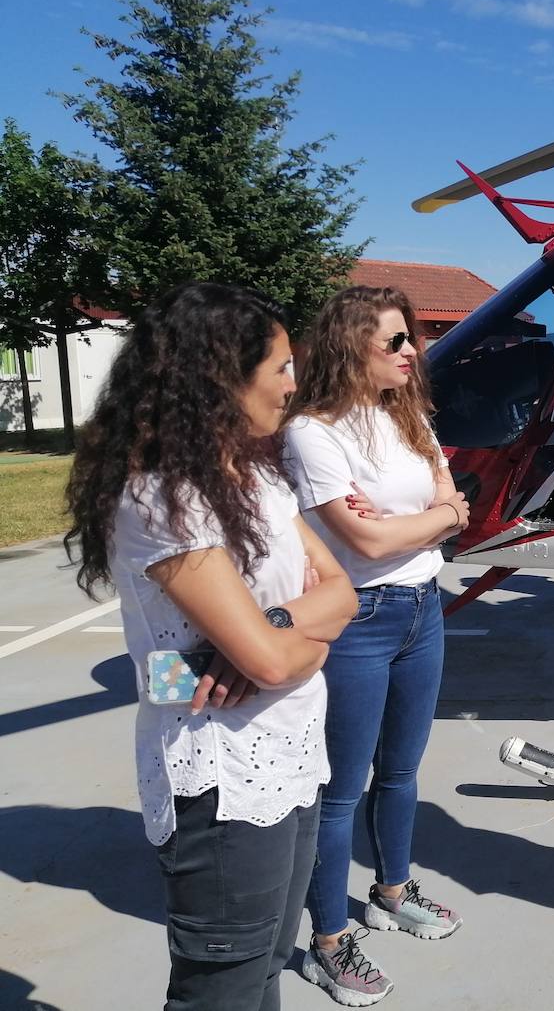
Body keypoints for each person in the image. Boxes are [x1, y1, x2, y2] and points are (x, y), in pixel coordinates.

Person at [64, 282, 359, 1011]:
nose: (296, 383)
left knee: (261, 973)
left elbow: (343, 593)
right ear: (223, 374)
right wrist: (290, 646)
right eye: (282, 366)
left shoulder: (256, 476)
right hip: (221, 780)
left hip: (289, 756)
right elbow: (250, 662)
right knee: (219, 991)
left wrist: (282, 633)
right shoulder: (164, 497)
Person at [284, 286, 469, 1007]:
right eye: (392, 341)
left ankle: (391, 892)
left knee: (402, 770)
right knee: (341, 789)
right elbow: (364, 539)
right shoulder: (314, 431)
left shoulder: (408, 413)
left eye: (409, 339)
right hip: (359, 619)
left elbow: (452, 502)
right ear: (349, 345)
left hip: (425, 606)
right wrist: (429, 517)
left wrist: (426, 517)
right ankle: (328, 943)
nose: (409, 352)